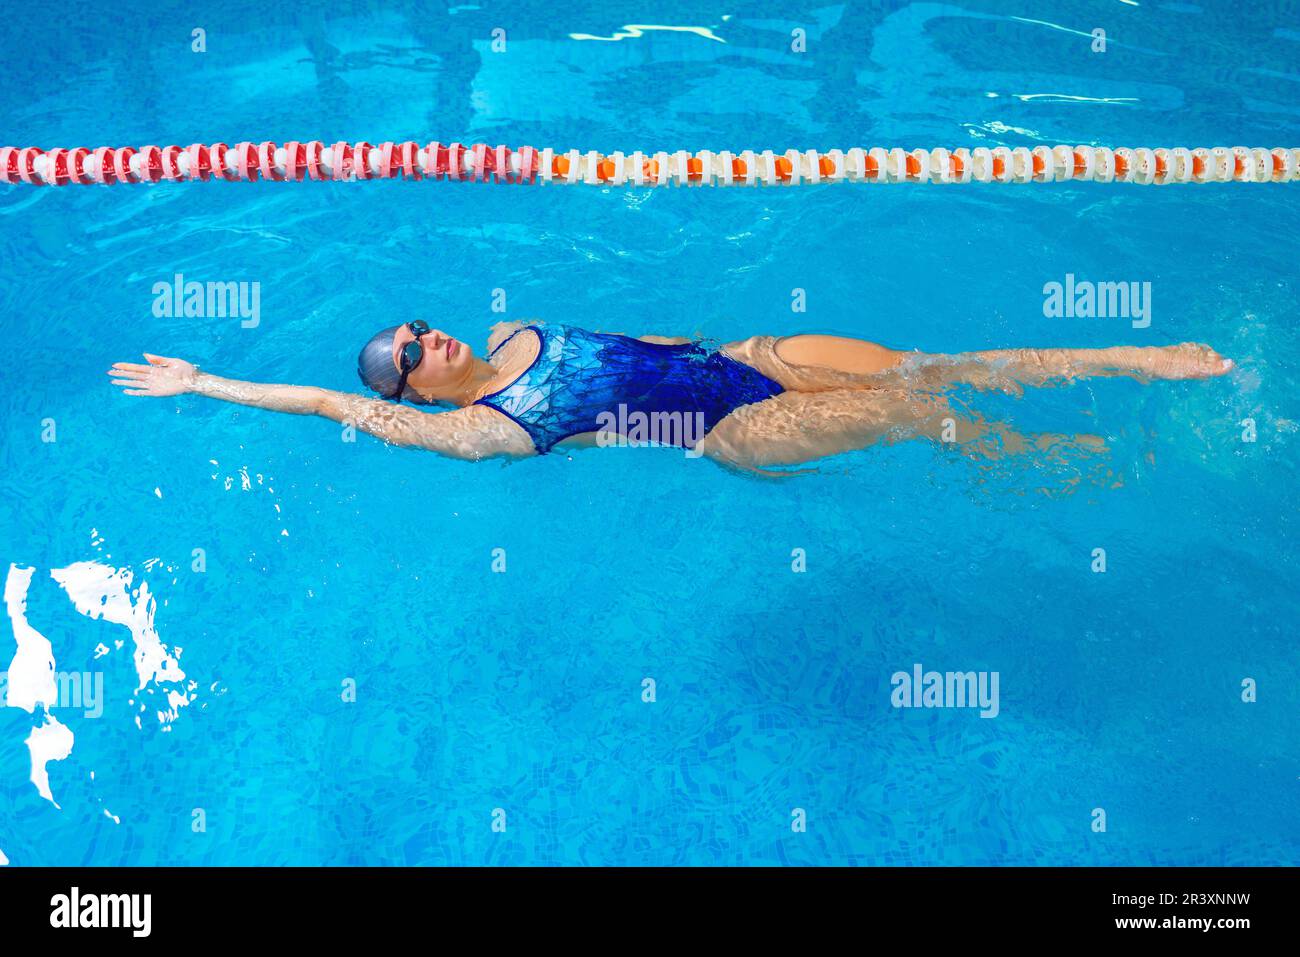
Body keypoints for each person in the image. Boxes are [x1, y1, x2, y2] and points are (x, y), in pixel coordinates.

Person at [108, 321, 1232, 472]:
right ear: (415, 385)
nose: (422, 336)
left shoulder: (511, 330)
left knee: (932, 366)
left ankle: (1135, 361)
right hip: (738, 427)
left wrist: (736, 345)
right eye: (408, 351)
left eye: (410, 327)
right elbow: (321, 404)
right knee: (926, 415)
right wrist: (203, 382)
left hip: (749, 358)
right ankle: (1077, 457)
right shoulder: (479, 430)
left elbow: (641, 335)